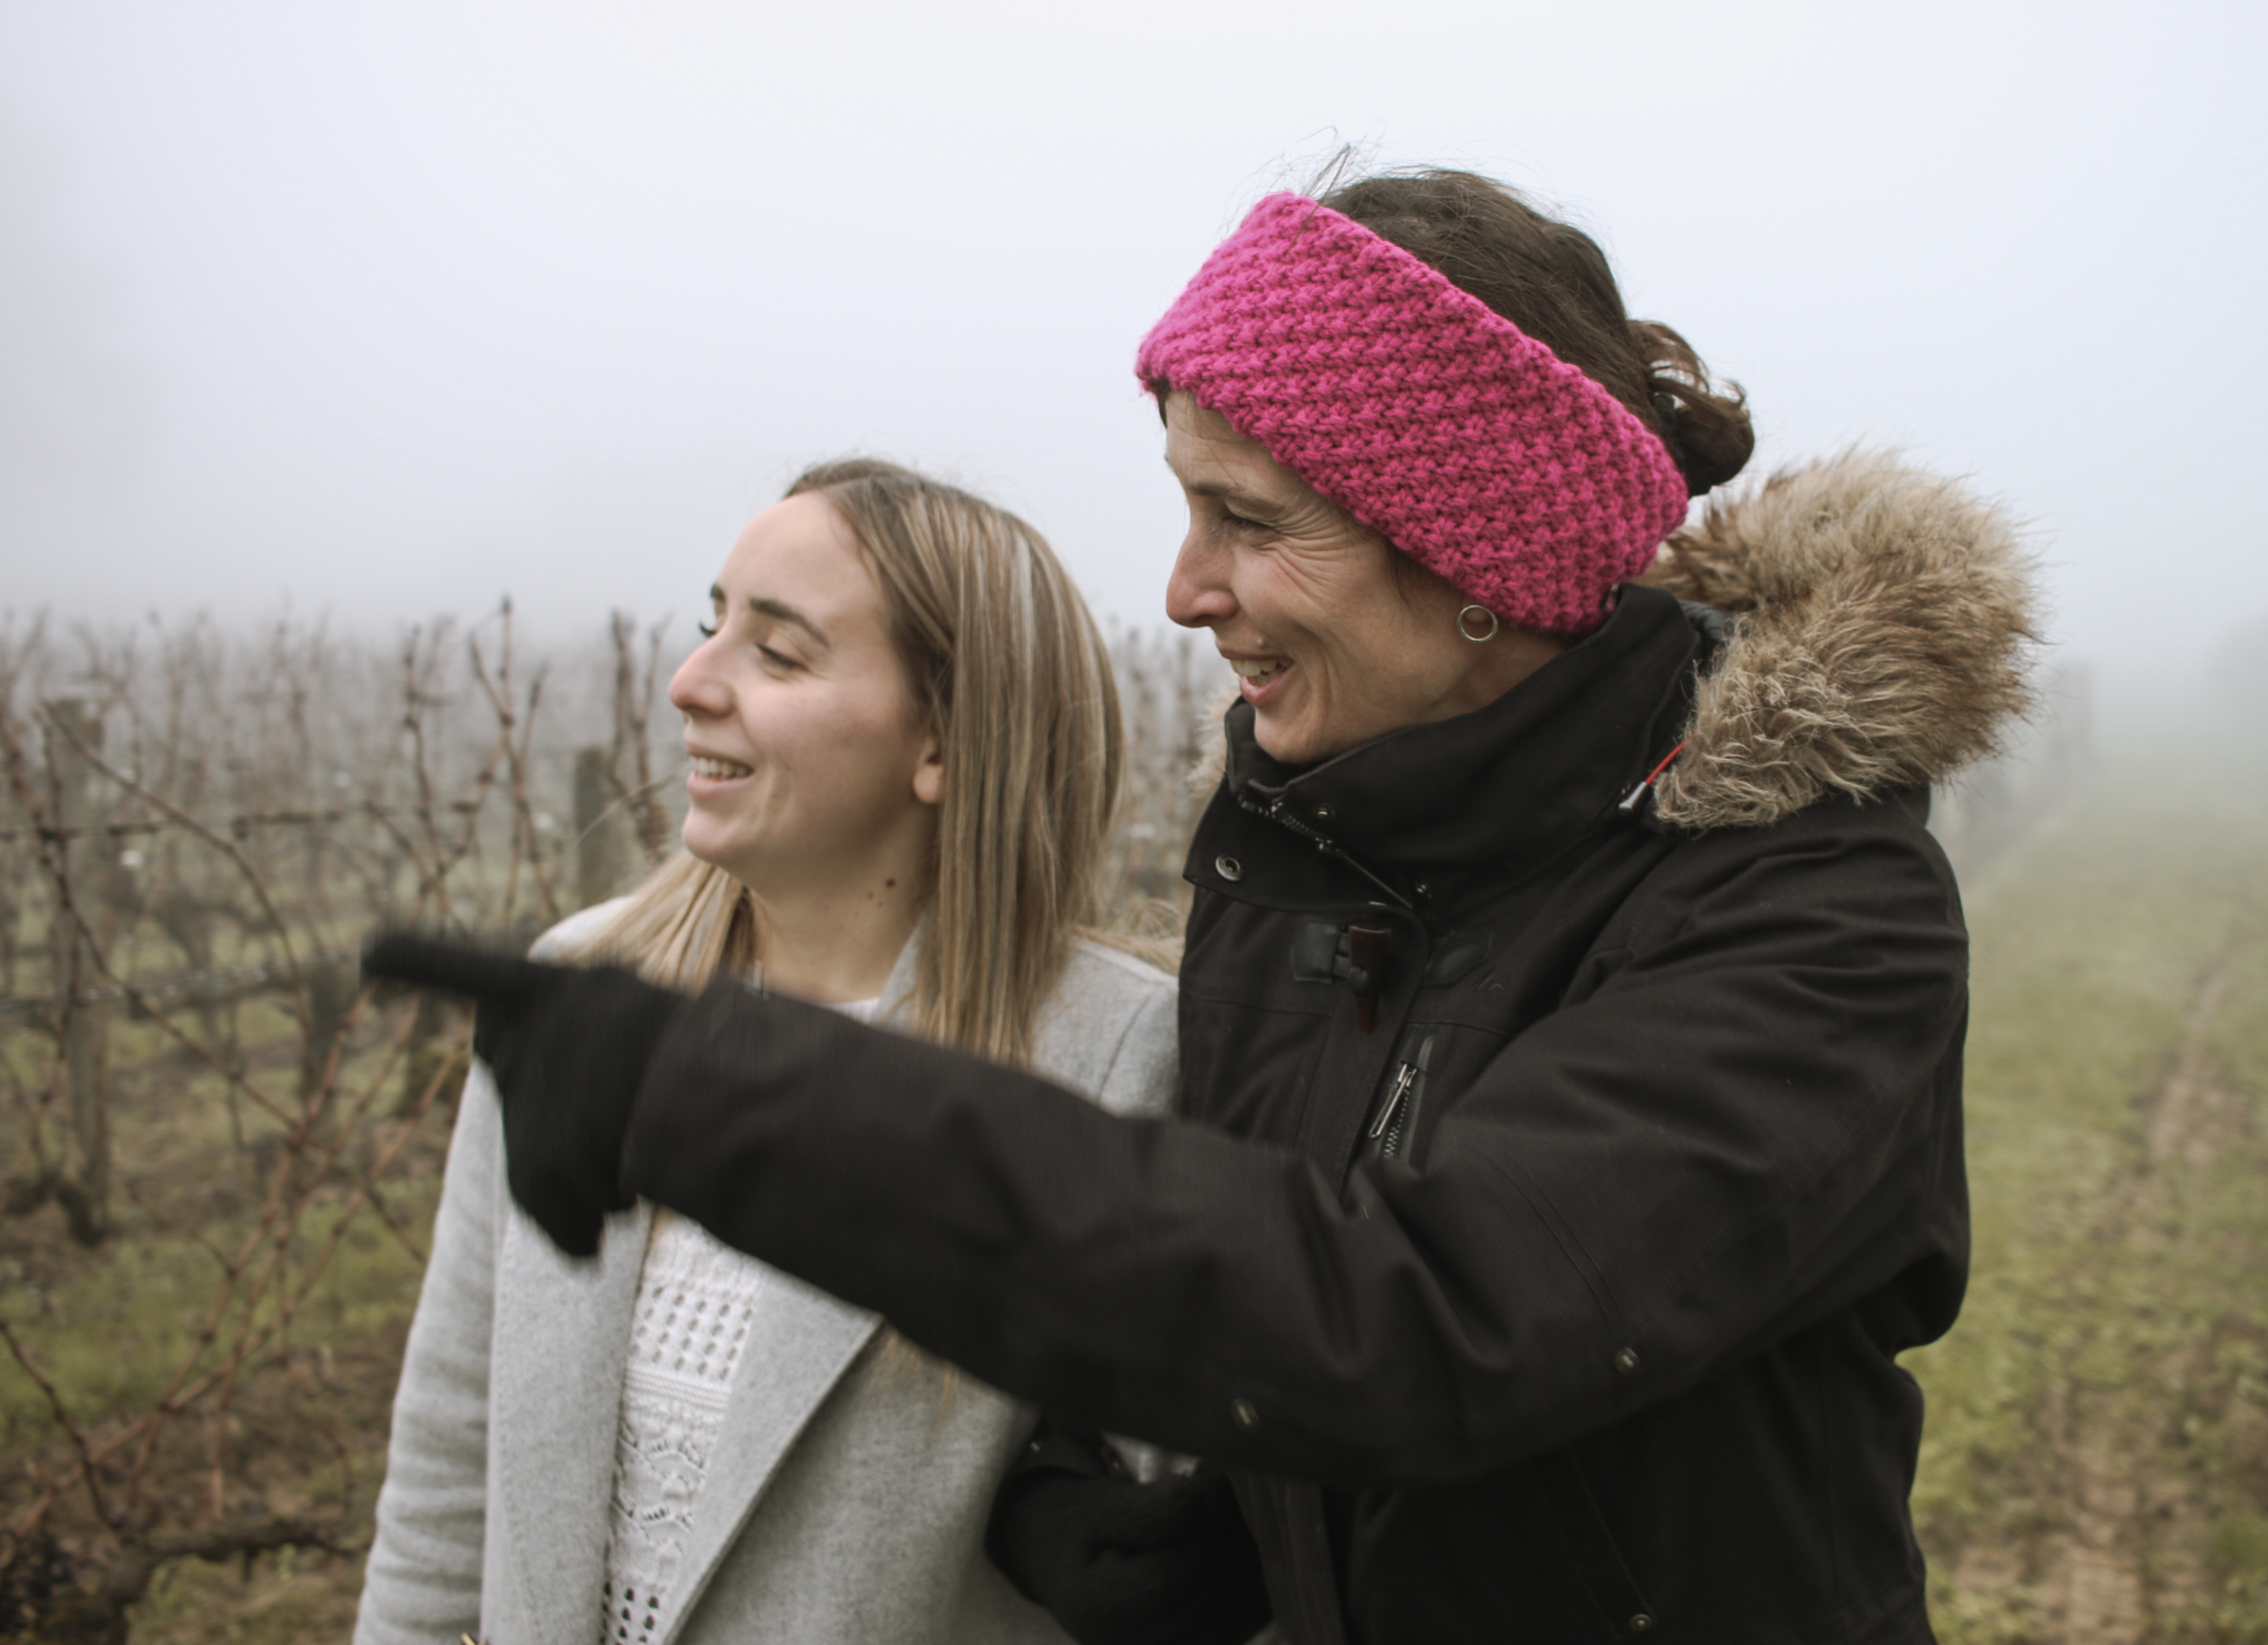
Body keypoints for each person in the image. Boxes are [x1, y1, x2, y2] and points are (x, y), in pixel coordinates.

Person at [371, 169, 2040, 1644]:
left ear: (1476, 561)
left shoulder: (1811, 910)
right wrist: (1170, 1530)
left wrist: (732, 1093)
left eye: (1250, 520)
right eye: (1186, 505)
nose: (1184, 591)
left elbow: (1431, 1322)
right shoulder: (1299, 875)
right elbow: (1275, 1325)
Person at [353, 458, 1183, 1645]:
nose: (691, 682)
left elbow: (1160, 1552)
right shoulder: (582, 998)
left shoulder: (1120, 1060)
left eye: (779, 654)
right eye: (711, 626)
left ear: (943, 736)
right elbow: (449, 1458)